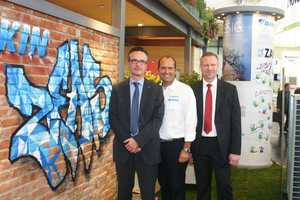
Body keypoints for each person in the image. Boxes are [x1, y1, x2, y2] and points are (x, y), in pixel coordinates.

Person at [109, 47, 164, 200]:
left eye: (142, 61)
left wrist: (138, 141)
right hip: (123, 148)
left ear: (146, 65)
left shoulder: (156, 90)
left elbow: (157, 119)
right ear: (129, 63)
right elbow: (113, 118)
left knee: (148, 194)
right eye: (134, 61)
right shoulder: (117, 88)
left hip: (147, 149)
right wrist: (129, 141)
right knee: (123, 193)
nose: (138, 64)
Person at [190, 52, 241, 200]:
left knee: (224, 185)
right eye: (206, 65)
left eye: (212, 65)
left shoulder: (230, 90)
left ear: (218, 67)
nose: (209, 68)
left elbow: (236, 123)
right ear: (200, 67)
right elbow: (188, 120)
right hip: (200, 145)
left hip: (222, 146)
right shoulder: (192, 90)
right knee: (202, 186)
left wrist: (235, 150)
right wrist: (189, 148)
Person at [157, 56, 197, 200]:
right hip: (157, 146)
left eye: (170, 68)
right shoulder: (155, 91)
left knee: (176, 186)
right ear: (158, 70)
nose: (166, 71)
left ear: (175, 70)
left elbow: (191, 120)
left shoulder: (185, 90)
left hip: (176, 145)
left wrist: (186, 148)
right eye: (163, 67)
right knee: (164, 185)